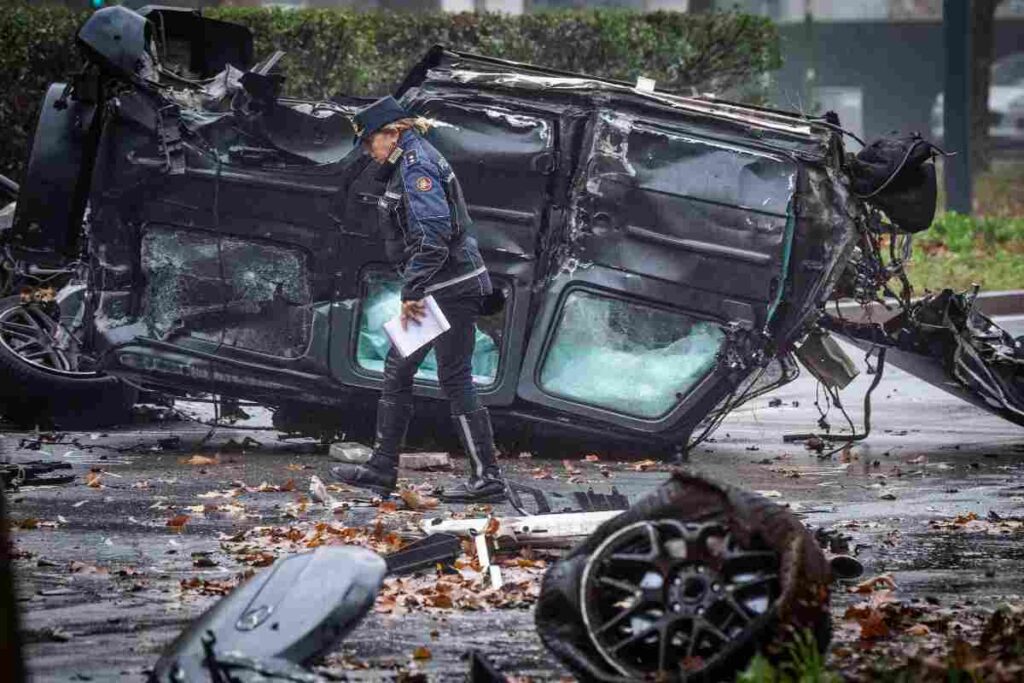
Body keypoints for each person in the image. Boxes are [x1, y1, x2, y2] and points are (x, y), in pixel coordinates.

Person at [330, 96, 506, 503]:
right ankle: (385, 468)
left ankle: (482, 478)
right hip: (447, 287)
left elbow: (434, 237)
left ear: (394, 133)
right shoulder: (410, 160)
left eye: (371, 142)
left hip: (447, 288)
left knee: (437, 373)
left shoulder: (417, 167)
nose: (369, 151)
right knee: (414, 368)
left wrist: (412, 291)